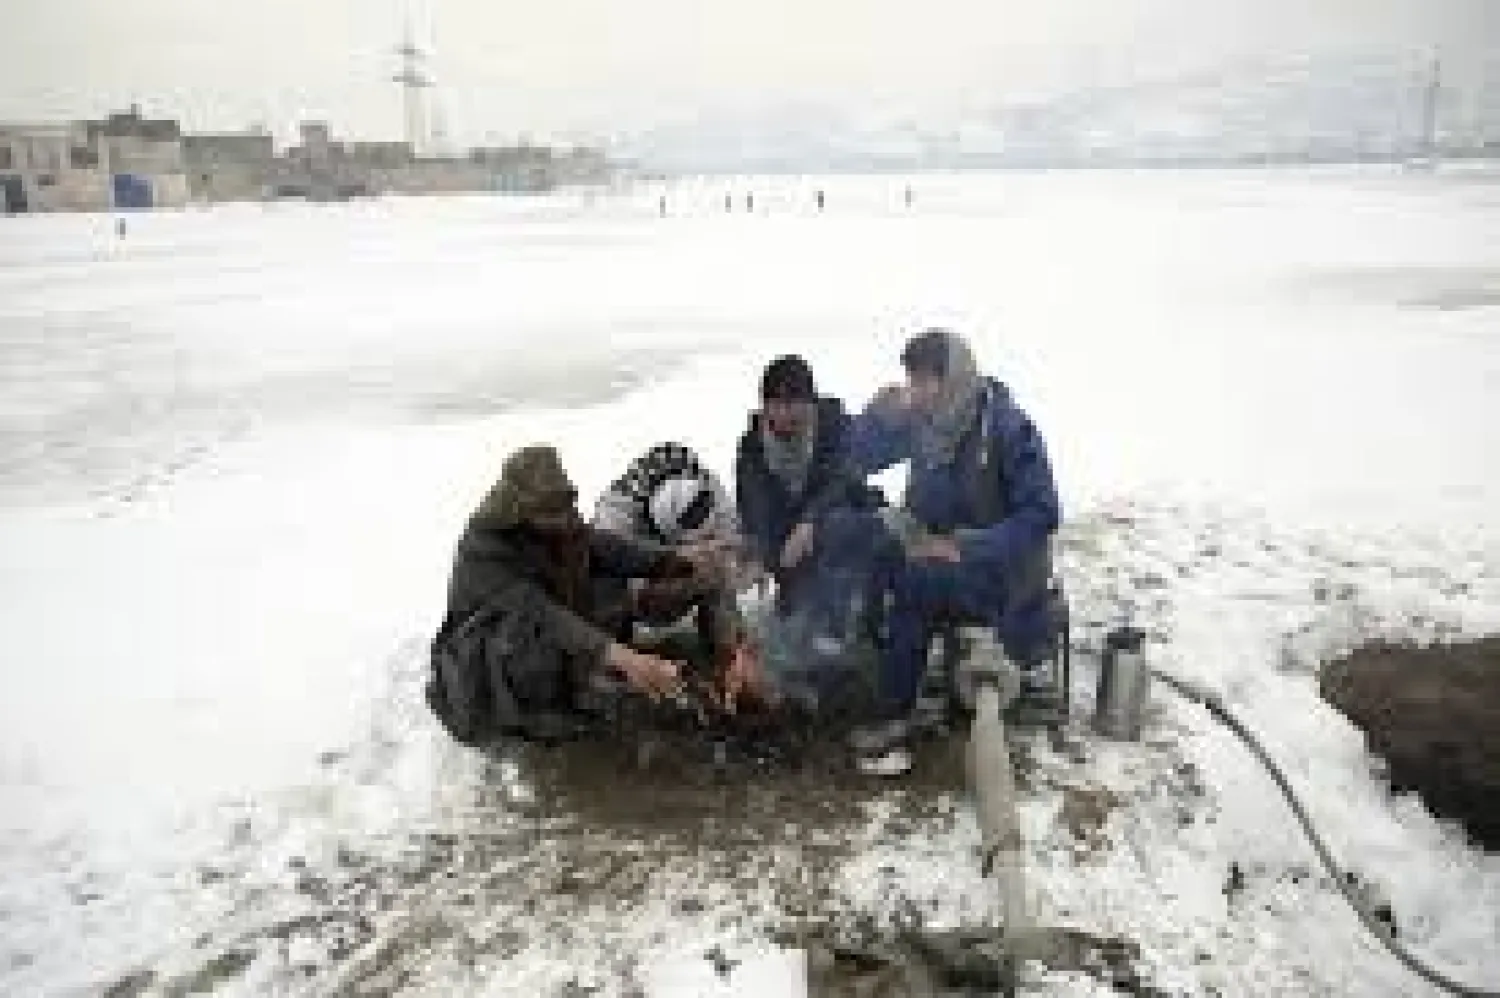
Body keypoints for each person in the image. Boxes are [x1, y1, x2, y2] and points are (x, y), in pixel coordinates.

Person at [426, 445, 731, 747]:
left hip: (547, 626)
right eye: (553, 513)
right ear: (521, 510)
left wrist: (674, 560)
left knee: (611, 587)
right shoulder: (483, 551)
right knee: (526, 639)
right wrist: (628, 660)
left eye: (566, 509)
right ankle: (542, 716)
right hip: (483, 663)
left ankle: (582, 682)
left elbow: (602, 548)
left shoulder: (557, 519)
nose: (565, 518)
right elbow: (544, 615)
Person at [847, 329, 1061, 750]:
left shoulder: (1005, 425)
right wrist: (877, 418)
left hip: (1003, 572)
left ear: (954, 378)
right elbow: (860, 460)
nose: (915, 391)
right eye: (911, 380)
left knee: (916, 582)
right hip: (942, 552)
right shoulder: (926, 421)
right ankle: (873, 672)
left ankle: (896, 714)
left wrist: (966, 546)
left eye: (924, 380)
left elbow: (1042, 514)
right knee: (874, 548)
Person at [735, 355, 883, 627]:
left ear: (811, 404)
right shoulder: (752, 444)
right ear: (765, 406)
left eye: (794, 404)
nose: (786, 414)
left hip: (840, 519)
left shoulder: (836, 425)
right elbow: (753, 502)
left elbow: (843, 478)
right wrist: (758, 554)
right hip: (788, 531)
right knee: (789, 615)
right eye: (777, 405)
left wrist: (809, 521)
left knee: (839, 527)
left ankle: (850, 621)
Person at [591, 442, 758, 683]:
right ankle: (617, 667)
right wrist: (677, 562)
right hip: (630, 581)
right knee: (608, 588)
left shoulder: (705, 488)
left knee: (715, 573)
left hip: (678, 560)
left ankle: (730, 657)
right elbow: (621, 578)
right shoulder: (615, 518)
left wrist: (740, 565)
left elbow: (735, 541)